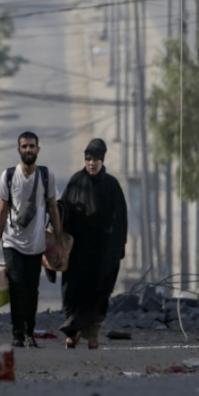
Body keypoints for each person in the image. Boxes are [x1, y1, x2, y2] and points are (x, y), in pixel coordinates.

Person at [0, 131, 62, 348]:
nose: (28, 150)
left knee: (32, 290)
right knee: (16, 287)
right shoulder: (8, 176)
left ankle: (30, 332)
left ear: (38, 150)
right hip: (12, 242)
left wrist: (58, 242)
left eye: (32, 146)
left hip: (36, 244)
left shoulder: (46, 176)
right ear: (18, 150)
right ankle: (17, 335)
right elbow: (1, 212)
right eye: (24, 146)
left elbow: (53, 209)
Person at [59, 138, 127, 349]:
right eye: (88, 159)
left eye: (96, 159)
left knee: (99, 293)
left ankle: (92, 335)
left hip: (102, 252)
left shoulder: (112, 186)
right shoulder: (76, 182)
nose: (91, 163)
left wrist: (114, 251)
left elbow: (120, 221)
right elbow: (62, 211)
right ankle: (72, 332)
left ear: (102, 161)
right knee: (72, 292)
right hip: (77, 252)